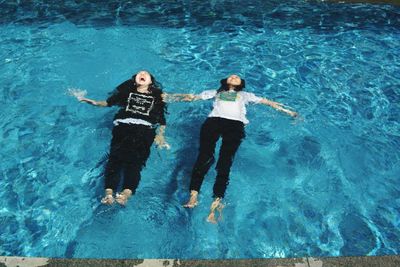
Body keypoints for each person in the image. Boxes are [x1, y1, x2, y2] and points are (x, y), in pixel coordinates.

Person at [170, 74, 297, 223]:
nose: (234, 76)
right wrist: (167, 97)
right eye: (231, 76)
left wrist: (290, 113)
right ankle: (194, 194)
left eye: (237, 77)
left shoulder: (245, 95)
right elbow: (191, 97)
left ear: (242, 83)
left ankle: (216, 202)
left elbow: (269, 103)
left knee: (225, 161)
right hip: (213, 122)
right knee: (205, 156)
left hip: (235, 125)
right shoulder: (216, 92)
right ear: (225, 81)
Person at [76, 71, 169, 205]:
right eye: (139, 73)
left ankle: (126, 194)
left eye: (146, 74)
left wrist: (160, 135)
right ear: (134, 80)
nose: (142, 73)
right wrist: (93, 102)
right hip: (123, 126)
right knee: (115, 159)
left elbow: (161, 119)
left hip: (145, 129)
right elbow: (108, 103)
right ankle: (108, 193)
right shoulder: (126, 93)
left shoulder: (157, 97)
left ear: (151, 82)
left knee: (135, 163)